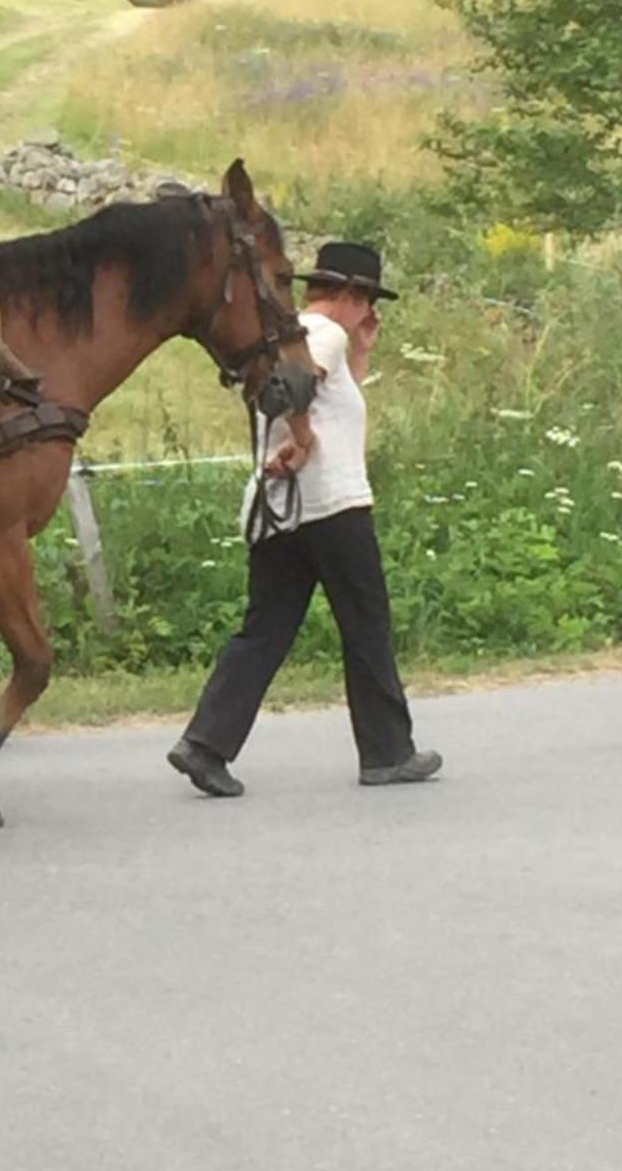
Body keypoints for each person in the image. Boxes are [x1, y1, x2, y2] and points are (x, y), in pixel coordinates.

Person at [167, 240, 441, 797]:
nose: (368, 314)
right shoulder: (326, 333)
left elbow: (312, 394)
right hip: (334, 506)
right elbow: (295, 390)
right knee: (366, 625)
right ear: (353, 295)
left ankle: (206, 743)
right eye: (366, 301)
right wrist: (304, 438)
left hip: (279, 509)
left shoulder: (292, 338)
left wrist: (361, 352)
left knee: (265, 629)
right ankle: (387, 753)